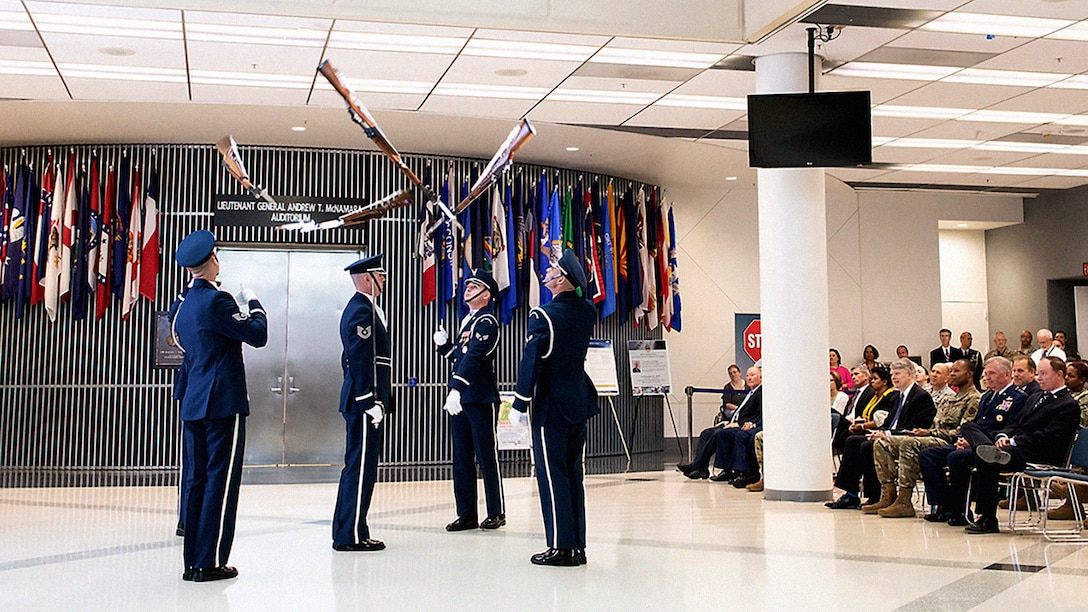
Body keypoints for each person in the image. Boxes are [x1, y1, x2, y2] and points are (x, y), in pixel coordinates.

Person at [171, 230, 268, 582]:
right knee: (220, 481)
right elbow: (258, 335)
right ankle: (210, 561)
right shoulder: (218, 301)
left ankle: (192, 561)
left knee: (196, 480)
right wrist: (253, 303)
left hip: (194, 401)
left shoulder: (182, 306)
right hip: (223, 402)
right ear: (212, 261)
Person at [511, 249, 597, 567]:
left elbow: (532, 360)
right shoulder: (587, 311)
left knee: (552, 474)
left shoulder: (543, 315)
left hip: (552, 403)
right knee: (574, 473)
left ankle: (561, 546)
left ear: (561, 280)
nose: (546, 273)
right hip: (578, 398)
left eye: (551, 271)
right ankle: (577, 545)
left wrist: (520, 401)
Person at [960, 356, 1079, 534]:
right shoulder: (1036, 396)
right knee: (968, 427)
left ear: (1059, 375)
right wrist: (1004, 435)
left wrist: (1014, 441)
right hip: (1016, 448)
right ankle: (986, 447)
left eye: (1044, 374)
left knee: (988, 459)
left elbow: (1049, 437)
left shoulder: (1068, 404)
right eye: (1038, 373)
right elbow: (1017, 424)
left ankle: (987, 518)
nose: (1039, 378)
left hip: (1039, 453)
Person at [435, 268, 506, 532]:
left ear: (486, 294)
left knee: (487, 455)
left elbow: (475, 357)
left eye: (475, 285)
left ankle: (496, 511)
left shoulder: (487, 322)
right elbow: (459, 357)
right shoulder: (468, 320)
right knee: (461, 456)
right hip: (461, 398)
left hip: (478, 397)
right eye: (467, 284)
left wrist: (455, 388)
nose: (468, 288)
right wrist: (444, 347)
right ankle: (466, 513)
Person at [918, 357, 1026, 525]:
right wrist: (964, 439)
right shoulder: (988, 396)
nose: (987, 377)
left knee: (956, 457)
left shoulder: (1017, 397)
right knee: (928, 455)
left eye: (992, 373)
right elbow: (976, 424)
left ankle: (959, 510)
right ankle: (944, 505)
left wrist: (973, 442)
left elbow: (1011, 428)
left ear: (1007, 374)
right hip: (972, 442)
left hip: (992, 446)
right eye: (986, 373)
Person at [866, 359, 980, 518]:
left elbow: (963, 431)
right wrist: (925, 431)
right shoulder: (950, 399)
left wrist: (930, 433)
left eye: (957, 371)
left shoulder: (973, 398)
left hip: (948, 441)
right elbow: (935, 423)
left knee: (909, 443)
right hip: (933, 435)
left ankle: (905, 499)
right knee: (883, 442)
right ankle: (889, 494)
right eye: (951, 371)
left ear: (969, 375)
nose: (952, 374)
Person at [333, 254, 392, 553]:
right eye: (381, 276)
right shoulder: (360, 311)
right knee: (360, 468)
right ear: (368, 278)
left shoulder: (368, 309)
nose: (385, 281)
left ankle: (351, 529)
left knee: (360, 466)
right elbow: (359, 358)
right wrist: (369, 400)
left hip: (365, 399)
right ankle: (352, 535)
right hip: (364, 401)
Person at [827, 360, 935, 510]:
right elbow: (890, 421)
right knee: (852, 441)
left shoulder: (920, 396)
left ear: (909, 374)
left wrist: (886, 433)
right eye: (892, 374)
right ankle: (851, 494)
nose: (894, 378)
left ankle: (876, 495)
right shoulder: (898, 397)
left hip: (905, 438)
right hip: (890, 434)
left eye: (897, 374)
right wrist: (880, 432)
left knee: (867, 446)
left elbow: (915, 427)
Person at [679, 366, 763, 479]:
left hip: (743, 424)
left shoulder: (760, 393)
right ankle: (701, 467)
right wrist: (728, 422)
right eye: (748, 375)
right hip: (733, 421)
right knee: (706, 433)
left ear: (761, 377)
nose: (749, 378)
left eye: (752, 375)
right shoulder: (750, 392)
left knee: (720, 434)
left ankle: (701, 465)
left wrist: (739, 423)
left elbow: (756, 415)